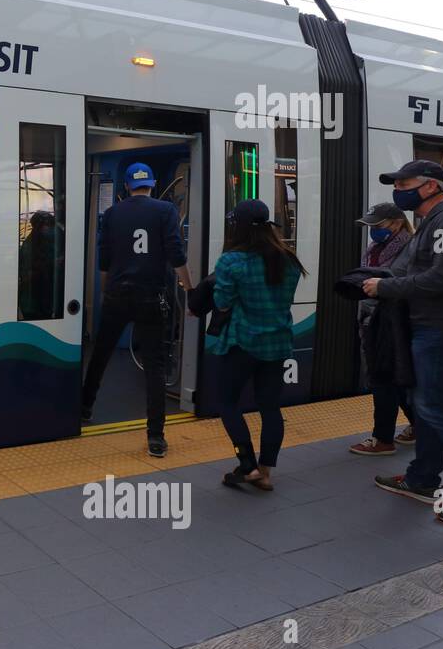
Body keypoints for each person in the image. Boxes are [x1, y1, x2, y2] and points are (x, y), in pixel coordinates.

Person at [364, 160, 443, 526]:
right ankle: (422, 478)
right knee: (428, 405)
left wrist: (386, 287)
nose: (398, 188)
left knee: (436, 407)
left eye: (406, 182)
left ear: (433, 186)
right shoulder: (433, 223)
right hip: (436, 326)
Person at [81, 162, 192, 457]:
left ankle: (84, 408)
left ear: (127, 186)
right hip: (151, 296)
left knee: (100, 354)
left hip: (118, 293)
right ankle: (156, 436)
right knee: (154, 365)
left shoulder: (113, 213)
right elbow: (176, 254)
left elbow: (104, 259)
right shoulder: (165, 211)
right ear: (152, 184)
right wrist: (189, 289)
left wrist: (106, 291)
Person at [211, 199, 306, 491]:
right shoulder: (288, 259)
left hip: (243, 341)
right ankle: (265, 472)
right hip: (277, 342)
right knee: (270, 407)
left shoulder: (232, 261)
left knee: (227, 403)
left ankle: (247, 465)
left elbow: (222, 302)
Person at [348, 202, 415, 456]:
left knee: (382, 377)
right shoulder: (376, 247)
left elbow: (402, 282)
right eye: (370, 226)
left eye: (378, 225)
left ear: (397, 223)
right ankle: (420, 425)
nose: (373, 230)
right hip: (371, 317)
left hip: (393, 321)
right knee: (393, 378)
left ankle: (383, 439)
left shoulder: (410, 248)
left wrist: (377, 285)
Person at [19, 210, 59, 320]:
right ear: (38, 226)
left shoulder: (39, 240)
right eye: (48, 226)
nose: (51, 229)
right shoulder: (32, 245)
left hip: (36, 298)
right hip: (35, 297)